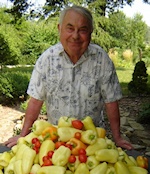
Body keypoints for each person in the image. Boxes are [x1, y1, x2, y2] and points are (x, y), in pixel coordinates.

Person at [4, 5, 133, 150]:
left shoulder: (101, 60)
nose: (75, 36)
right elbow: (35, 101)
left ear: (91, 32)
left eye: (83, 30)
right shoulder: (47, 60)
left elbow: (111, 102)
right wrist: (23, 135)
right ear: (59, 29)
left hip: (92, 142)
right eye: (70, 28)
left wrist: (117, 138)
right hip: (56, 140)